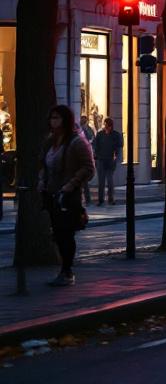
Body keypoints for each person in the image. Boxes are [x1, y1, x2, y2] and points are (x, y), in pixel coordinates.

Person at [38, 105, 94, 286]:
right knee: (57, 232)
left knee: (65, 233)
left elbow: (88, 167)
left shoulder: (77, 142)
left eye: (57, 118)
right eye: (51, 118)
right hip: (51, 193)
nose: (53, 121)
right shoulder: (50, 141)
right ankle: (64, 269)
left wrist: (71, 184)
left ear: (65, 120)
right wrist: (42, 181)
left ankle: (67, 271)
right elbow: (43, 165)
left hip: (67, 195)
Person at [92, 117, 122, 206]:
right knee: (101, 181)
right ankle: (101, 200)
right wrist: (96, 156)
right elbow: (95, 145)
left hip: (110, 160)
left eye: (108, 126)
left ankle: (111, 199)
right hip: (101, 160)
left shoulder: (115, 135)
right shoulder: (100, 134)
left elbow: (119, 146)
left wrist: (116, 157)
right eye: (105, 125)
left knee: (110, 180)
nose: (106, 127)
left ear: (111, 126)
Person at [78, 115, 95, 205]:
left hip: (84, 158)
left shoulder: (88, 129)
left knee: (83, 182)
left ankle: (87, 200)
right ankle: (85, 199)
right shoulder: (81, 130)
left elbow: (91, 139)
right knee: (82, 182)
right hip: (82, 158)